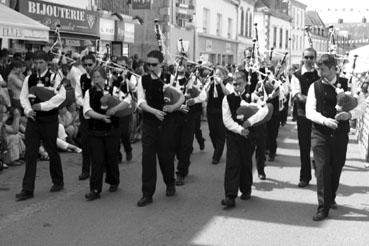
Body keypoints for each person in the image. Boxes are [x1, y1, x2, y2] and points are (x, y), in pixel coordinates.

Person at [306, 54, 366, 221]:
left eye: (323, 69)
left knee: (336, 167)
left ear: (333, 68)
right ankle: (323, 208)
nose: (320, 73)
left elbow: (363, 104)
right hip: (320, 133)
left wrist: (350, 114)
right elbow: (310, 111)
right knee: (323, 168)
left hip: (340, 134)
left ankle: (330, 197)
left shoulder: (348, 82)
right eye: (318, 69)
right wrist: (325, 120)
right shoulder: (314, 86)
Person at [136, 50, 185, 207]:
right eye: (148, 64)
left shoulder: (169, 78)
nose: (150, 67)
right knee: (147, 159)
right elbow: (140, 102)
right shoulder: (142, 80)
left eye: (154, 64)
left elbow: (182, 97)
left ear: (161, 64)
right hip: (150, 123)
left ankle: (170, 183)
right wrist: (154, 111)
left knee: (165, 157)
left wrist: (173, 107)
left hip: (166, 124)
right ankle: (147, 193)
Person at [16, 51, 66, 201]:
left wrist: (42, 106)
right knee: (30, 154)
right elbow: (23, 97)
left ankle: (58, 181)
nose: (37, 65)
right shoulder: (28, 78)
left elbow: (60, 97)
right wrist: (28, 110)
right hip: (33, 120)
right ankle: (27, 189)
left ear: (47, 63)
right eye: (35, 63)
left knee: (52, 150)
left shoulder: (56, 77)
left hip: (49, 120)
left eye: (41, 62)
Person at [221, 70, 269, 209]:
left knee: (246, 162)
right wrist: (239, 129)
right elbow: (227, 119)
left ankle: (246, 189)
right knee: (232, 163)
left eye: (239, 84)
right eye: (234, 84)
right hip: (234, 135)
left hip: (249, 135)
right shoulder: (228, 98)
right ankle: (230, 195)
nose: (236, 87)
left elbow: (264, 110)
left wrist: (250, 122)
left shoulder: (252, 96)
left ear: (246, 83)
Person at [82, 66, 129, 200]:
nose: (96, 80)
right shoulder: (89, 92)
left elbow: (127, 101)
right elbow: (87, 111)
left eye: (98, 77)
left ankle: (113, 181)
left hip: (112, 130)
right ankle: (95, 190)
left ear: (104, 77)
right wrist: (101, 117)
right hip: (95, 130)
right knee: (96, 160)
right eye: (94, 77)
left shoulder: (114, 88)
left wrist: (115, 110)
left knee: (111, 157)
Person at [291, 47, 320, 188]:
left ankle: (320, 174)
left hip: (318, 115)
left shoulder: (320, 74)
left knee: (318, 147)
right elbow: (297, 95)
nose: (309, 60)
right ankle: (305, 177)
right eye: (306, 57)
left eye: (311, 57)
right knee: (304, 147)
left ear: (315, 58)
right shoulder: (296, 75)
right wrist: (312, 100)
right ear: (302, 58)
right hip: (303, 115)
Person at [200, 65, 232, 164]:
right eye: (215, 74)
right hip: (211, 111)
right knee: (212, 133)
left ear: (224, 76)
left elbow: (228, 93)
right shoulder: (211, 83)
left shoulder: (227, 84)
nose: (216, 76)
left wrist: (221, 83)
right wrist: (208, 84)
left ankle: (216, 156)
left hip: (222, 112)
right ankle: (217, 149)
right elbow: (203, 95)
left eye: (219, 74)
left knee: (220, 135)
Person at [75, 54, 96, 180]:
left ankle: (102, 165)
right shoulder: (81, 78)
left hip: (98, 114)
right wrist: (87, 107)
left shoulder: (100, 77)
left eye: (90, 64)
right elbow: (78, 96)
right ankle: (85, 170)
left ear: (95, 63)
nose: (88, 67)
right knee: (86, 142)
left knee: (99, 141)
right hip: (85, 114)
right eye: (85, 65)